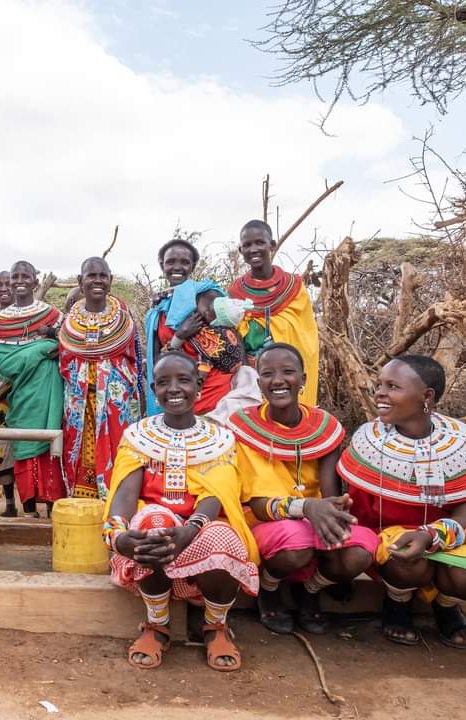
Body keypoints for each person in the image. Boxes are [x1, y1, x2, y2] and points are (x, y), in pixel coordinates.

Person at [338, 355, 466, 647]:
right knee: (406, 563)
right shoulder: (369, 443)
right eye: (379, 385)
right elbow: (360, 508)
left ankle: (446, 606)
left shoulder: (462, 446)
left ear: (427, 396)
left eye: (393, 386)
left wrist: (429, 535)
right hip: (390, 530)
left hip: (448, 530)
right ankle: (398, 602)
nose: (380, 393)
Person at [104, 352, 259, 671]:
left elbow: (216, 495)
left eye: (183, 380)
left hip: (199, 530)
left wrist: (190, 530)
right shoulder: (138, 436)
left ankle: (215, 626)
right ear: (153, 388)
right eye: (164, 382)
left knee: (222, 535)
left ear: (199, 386)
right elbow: (125, 495)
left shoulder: (220, 438)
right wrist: (119, 538)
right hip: (158, 534)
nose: (174, 389)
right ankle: (157, 624)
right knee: (151, 524)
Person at [228, 343, 378, 634]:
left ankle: (311, 591)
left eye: (288, 372)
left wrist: (332, 513)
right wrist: (306, 507)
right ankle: (268, 588)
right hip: (264, 520)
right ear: (259, 383)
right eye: (268, 373)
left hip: (316, 516)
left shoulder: (323, 427)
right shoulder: (243, 427)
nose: (278, 380)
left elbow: (330, 494)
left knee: (359, 549)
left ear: (304, 380)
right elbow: (256, 503)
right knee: (297, 544)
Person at [58, 257, 143, 499]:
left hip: (116, 404)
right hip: (79, 403)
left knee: (119, 449)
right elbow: (64, 363)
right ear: (80, 281)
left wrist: (109, 375)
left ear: (110, 280)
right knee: (81, 449)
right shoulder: (69, 325)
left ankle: (118, 502)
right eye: (91, 275)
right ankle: (83, 504)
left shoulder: (124, 320)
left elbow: (135, 360)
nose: (97, 280)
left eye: (102, 276)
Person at [144, 237, 251, 417]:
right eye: (170, 262)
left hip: (216, 396)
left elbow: (233, 345)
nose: (177, 267)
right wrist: (179, 336)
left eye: (184, 262)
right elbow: (155, 363)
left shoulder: (208, 297)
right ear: (162, 266)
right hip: (176, 396)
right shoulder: (157, 311)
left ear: (193, 266)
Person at [0, 260, 66, 516]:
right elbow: (6, 362)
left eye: (26, 276)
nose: (20, 280)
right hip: (22, 394)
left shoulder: (52, 314)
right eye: (15, 276)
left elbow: (66, 344)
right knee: (23, 446)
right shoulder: (2, 319)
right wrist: (40, 349)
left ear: (36, 281)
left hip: (49, 391)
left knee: (51, 449)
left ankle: (52, 509)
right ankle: (27, 510)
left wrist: (49, 345)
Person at [229, 220, 320, 405]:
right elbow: (233, 334)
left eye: (259, 242)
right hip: (252, 373)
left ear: (272, 244)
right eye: (247, 245)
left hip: (287, 371)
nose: (253, 249)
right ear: (241, 251)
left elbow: (305, 332)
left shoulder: (293, 286)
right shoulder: (235, 292)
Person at [0, 270, 18, 516]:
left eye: (7, 283)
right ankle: (10, 505)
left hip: (23, 390)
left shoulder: (27, 316)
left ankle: (32, 504)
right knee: (1, 448)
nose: (3, 288)